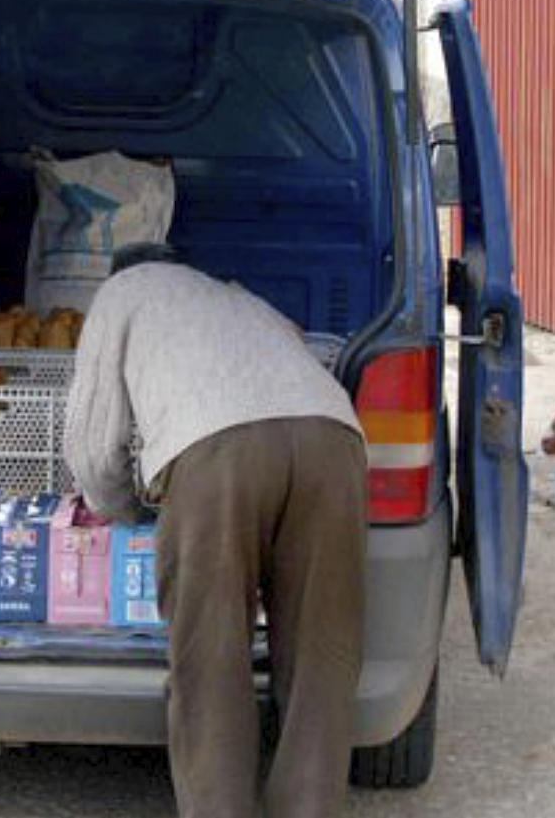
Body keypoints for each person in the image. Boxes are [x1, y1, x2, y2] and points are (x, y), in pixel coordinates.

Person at [63, 242, 367, 818]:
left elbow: (95, 442)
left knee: (213, 659)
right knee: (321, 661)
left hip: (216, 451)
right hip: (333, 440)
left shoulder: (119, 293)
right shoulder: (235, 294)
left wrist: (127, 510)